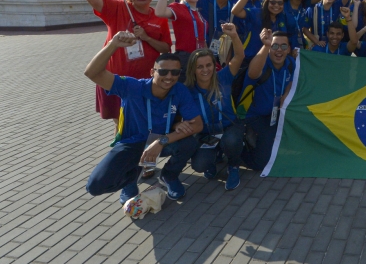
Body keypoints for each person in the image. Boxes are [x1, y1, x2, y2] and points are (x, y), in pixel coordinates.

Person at [84, 32, 203, 203]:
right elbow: (92, 73)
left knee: (189, 143)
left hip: (161, 141)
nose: (169, 76)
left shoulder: (180, 90)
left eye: (175, 72)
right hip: (132, 143)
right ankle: (131, 181)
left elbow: (197, 125)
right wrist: (113, 44)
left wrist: (162, 140)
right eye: (163, 71)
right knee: (95, 186)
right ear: (152, 72)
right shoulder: (132, 87)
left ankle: (169, 176)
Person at [78, 0, 171, 127]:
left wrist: (146, 37)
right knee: (121, 123)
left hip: (146, 81)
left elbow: (165, 48)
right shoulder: (118, 8)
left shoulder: (159, 17)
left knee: (145, 120)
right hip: (116, 78)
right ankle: (123, 153)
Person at [184, 23, 245, 191]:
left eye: (208, 65)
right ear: (193, 69)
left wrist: (234, 36)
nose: (205, 70)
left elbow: (239, 56)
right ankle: (214, 157)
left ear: (214, 65)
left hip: (228, 126)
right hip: (206, 134)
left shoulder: (223, 77)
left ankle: (233, 166)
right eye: (200, 66)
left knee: (231, 141)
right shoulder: (188, 89)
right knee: (199, 165)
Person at [242, 30, 296, 171]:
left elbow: (293, 81)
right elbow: (253, 74)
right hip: (255, 116)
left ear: (289, 49)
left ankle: (264, 142)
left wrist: (285, 94)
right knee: (261, 164)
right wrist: (265, 45)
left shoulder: (290, 63)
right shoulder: (261, 61)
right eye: (274, 46)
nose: (279, 50)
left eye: (284, 46)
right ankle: (239, 147)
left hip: (275, 115)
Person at [155, 0, 208, 81]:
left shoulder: (197, 12)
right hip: (186, 57)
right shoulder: (178, 7)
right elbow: (159, 12)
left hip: (200, 55)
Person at [231, 0, 301, 58]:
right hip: (251, 58)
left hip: (272, 60)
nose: (276, 5)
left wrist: (294, 48)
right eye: (273, 2)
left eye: (280, 3)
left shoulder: (284, 18)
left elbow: (292, 35)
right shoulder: (257, 13)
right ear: (267, 2)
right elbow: (235, 11)